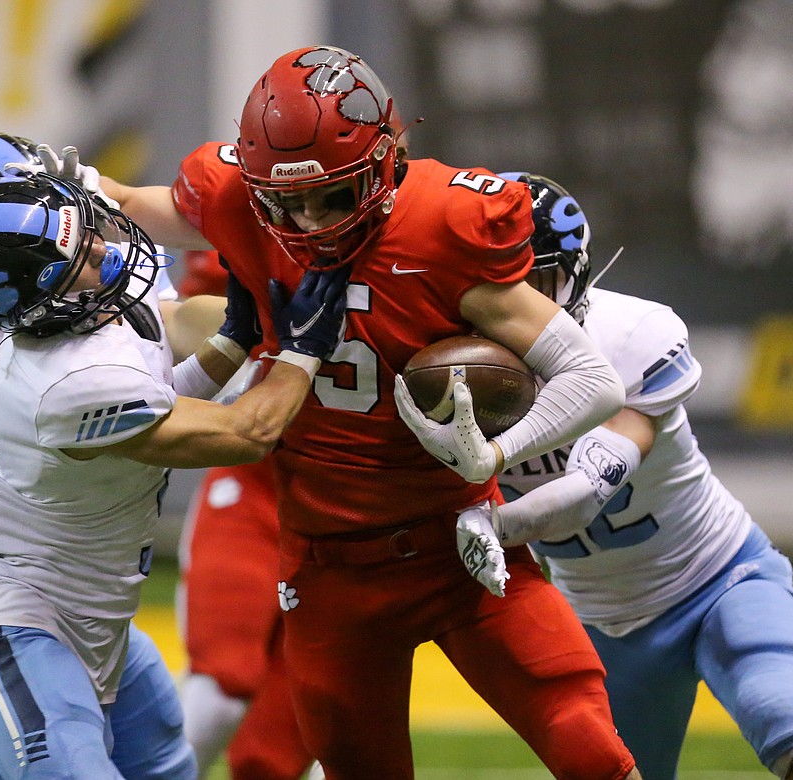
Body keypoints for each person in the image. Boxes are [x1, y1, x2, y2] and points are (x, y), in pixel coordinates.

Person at [93, 45, 641, 780]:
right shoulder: (232, 200)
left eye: (335, 197)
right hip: (329, 569)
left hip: (458, 548)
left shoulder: (443, 225)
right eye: (284, 202)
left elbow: (591, 377)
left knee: (588, 744)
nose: (309, 221)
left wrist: (495, 457)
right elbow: (126, 204)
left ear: (389, 162)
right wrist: (65, 183)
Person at [0, 170, 349, 780]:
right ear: (47, 297)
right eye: (80, 253)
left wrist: (238, 335)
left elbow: (159, 394)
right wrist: (302, 351)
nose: (103, 246)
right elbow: (245, 433)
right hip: (23, 627)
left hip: (100, 627)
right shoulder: (68, 386)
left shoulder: (80, 326)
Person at [449, 173, 793, 780]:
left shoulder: (631, 338)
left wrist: (494, 523)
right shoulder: (447, 368)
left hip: (719, 576)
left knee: (783, 719)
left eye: (532, 281)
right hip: (603, 621)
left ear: (575, 277)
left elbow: (588, 490)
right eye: (493, 282)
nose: (516, 305)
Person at [0, 132, 196, 776]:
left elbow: (174, 327)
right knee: (57, 762)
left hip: (71, 589)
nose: (83, 229)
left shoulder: (86, 275)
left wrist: (262, 324)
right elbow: (77, 428)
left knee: (157, 755)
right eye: (40, 207)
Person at [175, 251, 314, 780]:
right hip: (252, 495)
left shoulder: (403, 255)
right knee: (222, 686)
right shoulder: (249, 235)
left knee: (274, 754)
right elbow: (189, 321)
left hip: (346, 508)